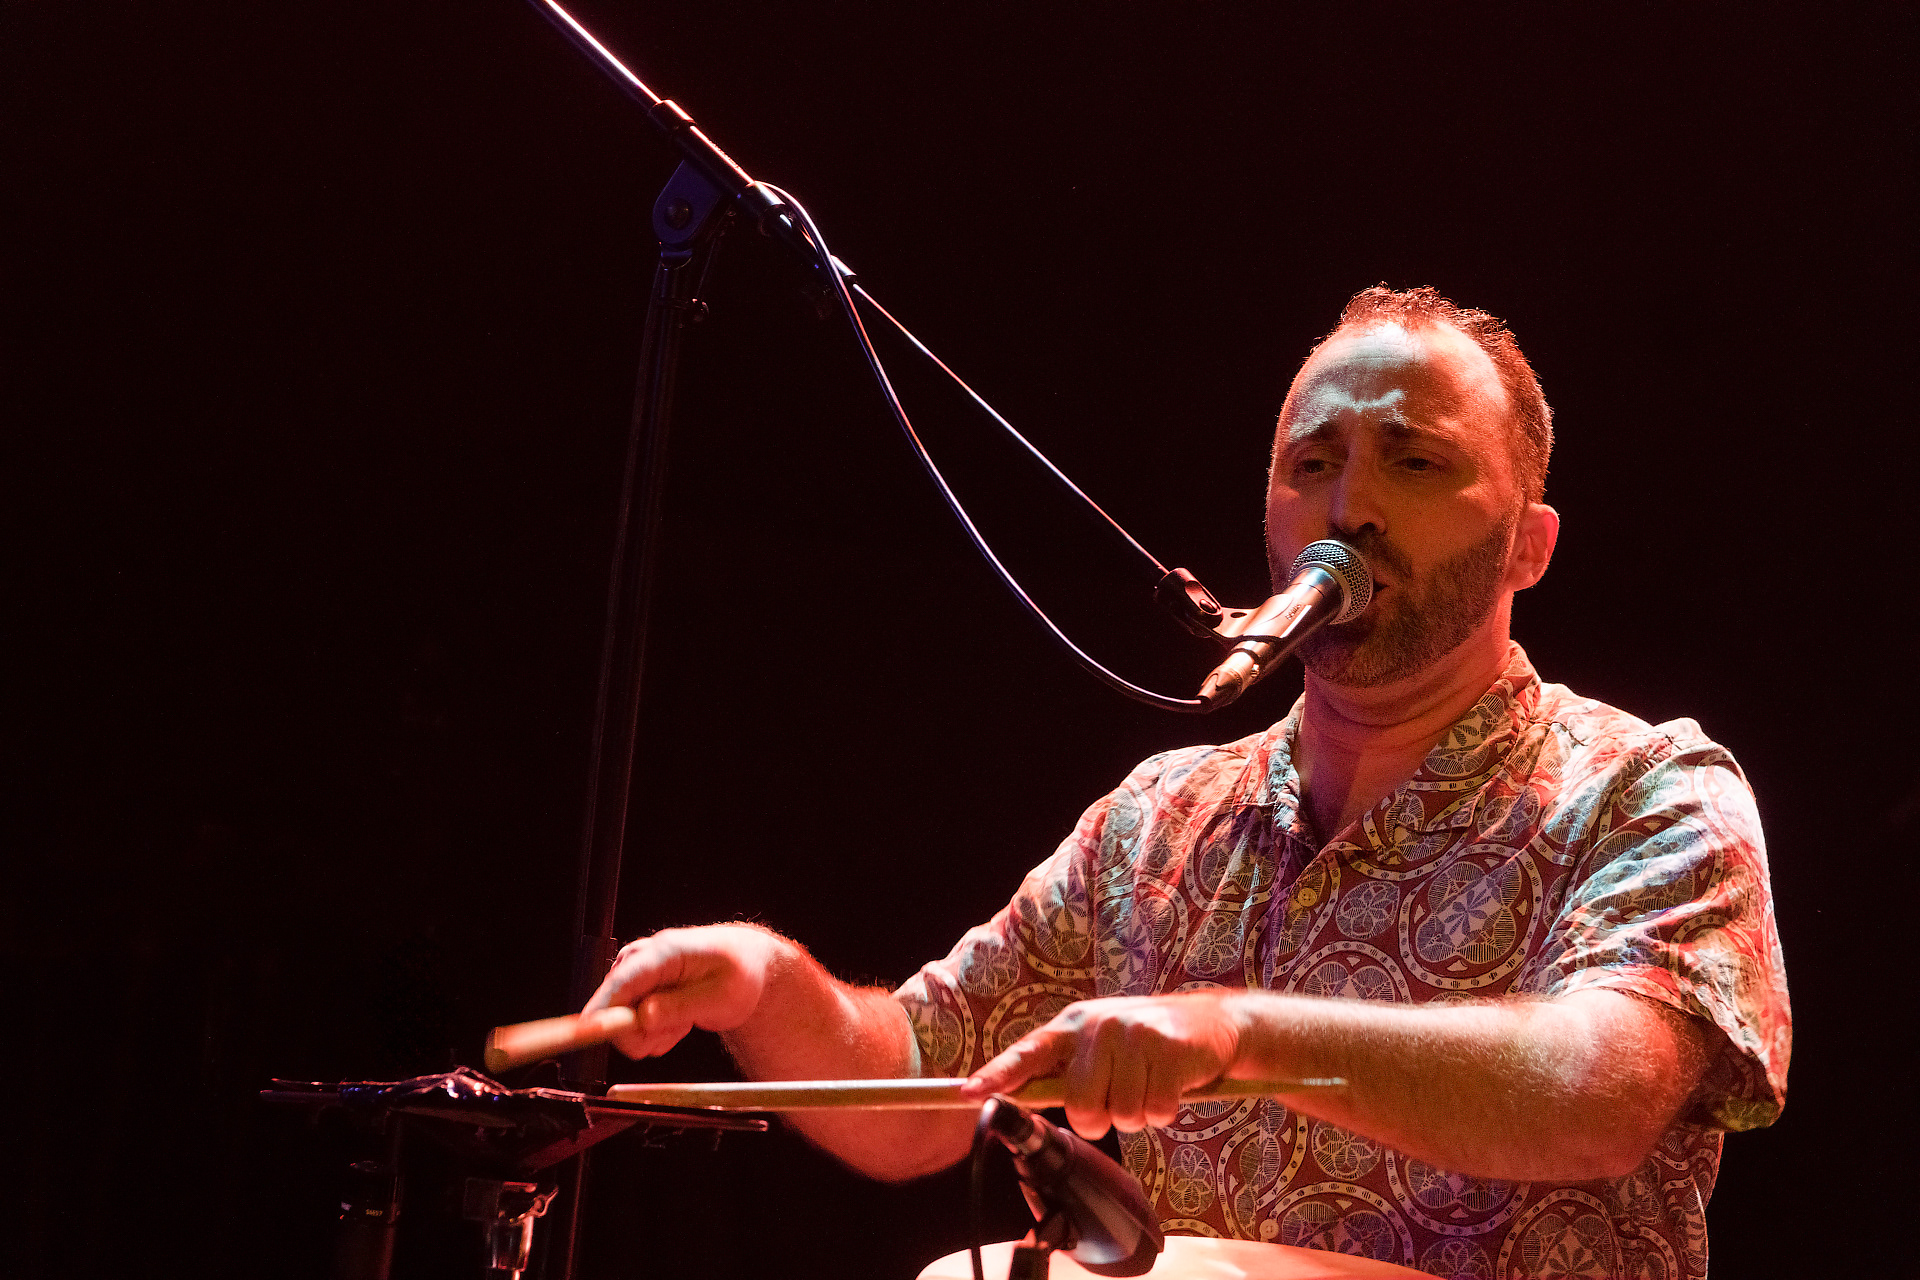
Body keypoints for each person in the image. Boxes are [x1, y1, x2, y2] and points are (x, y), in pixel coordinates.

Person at [582, 286, 1789, 1278]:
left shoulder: (1648, 788)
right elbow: (925, 1089)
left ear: (1530, 542)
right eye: (1313, 463)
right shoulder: (1159, 820)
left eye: (1417, 461)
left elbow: (1598, 1088)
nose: (1351, 506)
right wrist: (766, 985)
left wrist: (1233, 1029)